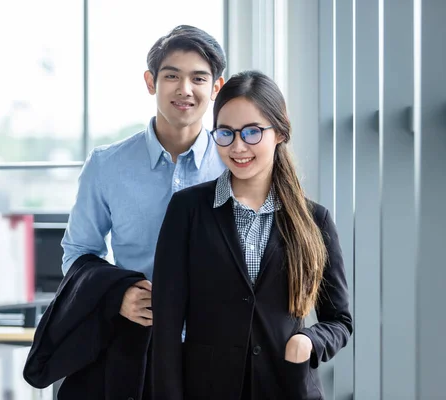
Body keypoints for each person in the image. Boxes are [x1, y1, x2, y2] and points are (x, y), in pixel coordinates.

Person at [24, 25, 227, 399]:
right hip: (136, 348)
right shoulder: (107, 166)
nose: (185, 89)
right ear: (151, 82)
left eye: (198, 78)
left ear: (216, 87)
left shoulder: (235, 164)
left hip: (217, 350)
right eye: (172, 76)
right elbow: (78, 252)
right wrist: (117, 294)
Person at [151, 70, 353, 400]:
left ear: (280, 132)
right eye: (226, 133)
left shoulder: (314, 220)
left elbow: (340, 321)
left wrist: (309, 341)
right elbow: (167, 326)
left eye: (252, 132)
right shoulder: (187, 210)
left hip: (288, 388)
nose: (238, 146)